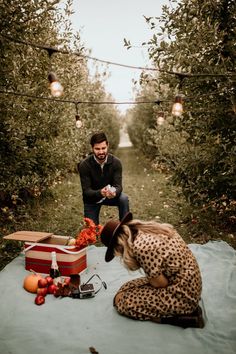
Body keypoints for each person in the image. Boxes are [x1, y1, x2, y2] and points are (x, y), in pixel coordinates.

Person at [100, 212, 204, 328]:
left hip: (183, 295)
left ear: (118, 245)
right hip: (189, 283)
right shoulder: (147, 231)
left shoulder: (141, 247)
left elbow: (160, 283)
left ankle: (180, 317)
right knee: (125, 288)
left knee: (122, 301)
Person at [78, 132, 129, 225]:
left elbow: (118, 186)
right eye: (97, 149)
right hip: (92, 199)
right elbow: (86, 191)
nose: (101, 152)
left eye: (103, 148)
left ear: (107, 145)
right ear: (92, 148)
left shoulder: (116, 163)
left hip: (110, 196)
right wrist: (100, 192)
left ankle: (125, 227)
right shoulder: (84, 165)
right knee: (92, 232)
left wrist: (113, 191)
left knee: (123, 198)